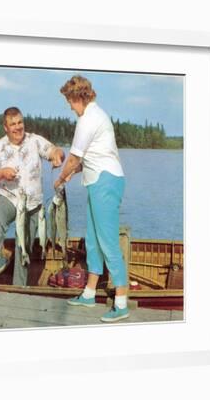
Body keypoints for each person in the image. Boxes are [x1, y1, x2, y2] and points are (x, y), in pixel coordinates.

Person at [56, 75, 128, 323]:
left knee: (107, 242)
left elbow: (75, 159)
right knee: (94, 241)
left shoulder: (88, 119)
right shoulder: (96, 115)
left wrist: (59, 178)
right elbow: (85, 160)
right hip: (98, 181)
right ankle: (89, 293)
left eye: (69, 100)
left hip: (105, 182)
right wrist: (69, 175)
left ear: (79, 97)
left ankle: (121, 303)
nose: (69, 105)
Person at [0, 107, 65, 297]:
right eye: (13, 124)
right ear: (5, 127)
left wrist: (58, 156)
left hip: (33, 203)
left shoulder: (35, 140)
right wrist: (2, 173)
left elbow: (54, 150)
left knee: (24, 244)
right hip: (8, 198)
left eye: (20, 122)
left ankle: (19, 287)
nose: (18, 127)